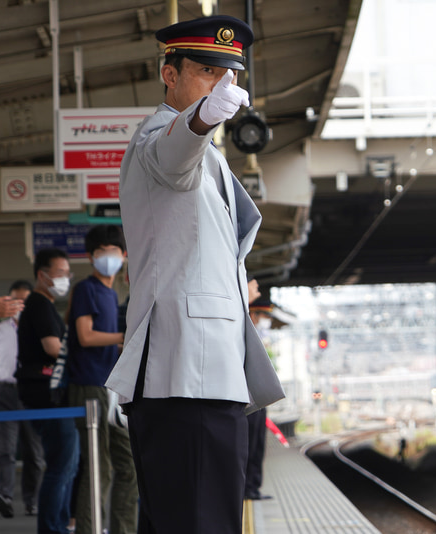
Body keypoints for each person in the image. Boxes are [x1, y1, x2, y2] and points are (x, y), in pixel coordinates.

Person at [104, 15, 284, 534]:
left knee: (179, 520)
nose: (220, 83)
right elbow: (173, 155)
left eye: (229, 74)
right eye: (207, 71)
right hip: (188, 372)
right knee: (204, 521)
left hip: (199, 372)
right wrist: (202, 118)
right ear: (170, 75)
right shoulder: (160, 137)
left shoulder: (210, 158)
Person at [66, 225, 136, 534]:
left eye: (113, 251)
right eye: (101, 251)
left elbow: (105, 342)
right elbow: (85, 336)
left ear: (124, 254)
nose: (108, 257)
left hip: (109, 387)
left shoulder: (111, 293)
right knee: (99, 468)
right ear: (91, 256)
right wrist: (124, 337)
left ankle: (122, 529)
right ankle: (89, 529)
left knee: (128, 465)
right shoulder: (86, 289)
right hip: (89, 388)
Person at [17, 248, 79, 534]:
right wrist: (83, 355)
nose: (66, 278)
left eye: (68, 273)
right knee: (61, 466)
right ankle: (52, 528)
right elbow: (53, 348)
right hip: (48, 396)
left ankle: (60, 524)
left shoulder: (46, 305)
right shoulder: (39, 305)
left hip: (51, 396)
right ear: (42, 275)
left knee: (67, 466)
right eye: (60, 273)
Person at [0, 280, 45, 519]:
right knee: (6, 450)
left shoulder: (39, 330)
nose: (19, 306)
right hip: (2, 392)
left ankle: (32, 500)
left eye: (24, 301)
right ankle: (5, 496)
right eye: (15, 301)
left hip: (30, 391)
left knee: (34, 452)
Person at [245, 286, 272, 501]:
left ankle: (253, 487)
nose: (266, 321)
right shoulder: (244, 332)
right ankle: (248, 487)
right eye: (264, 315)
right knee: (250, 444)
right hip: (248, 397)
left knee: (257, 443)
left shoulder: (254, 334)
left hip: (257, 396)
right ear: (253, 314)